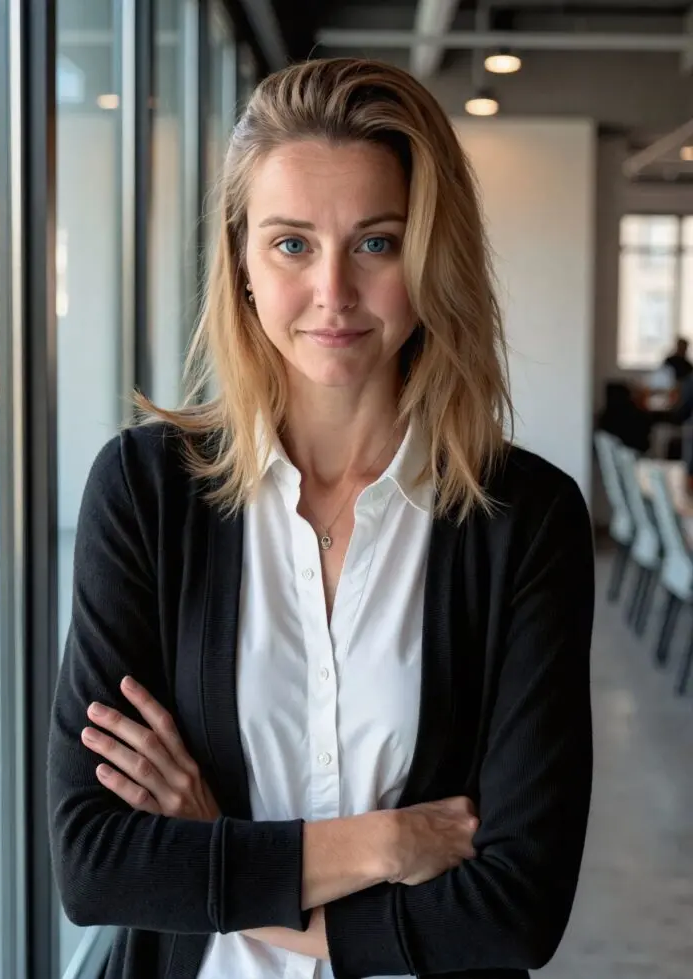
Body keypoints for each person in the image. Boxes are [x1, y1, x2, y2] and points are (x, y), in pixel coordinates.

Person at [47, 58, 594, 979]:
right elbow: (96, 865)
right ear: (241, 262)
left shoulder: (525, 520)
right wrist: (379, 844)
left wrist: (216, 849)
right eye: (292, 244)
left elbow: (513, 912)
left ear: (430, 256)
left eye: (376, 242)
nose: (333, 291)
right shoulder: (145, 491)